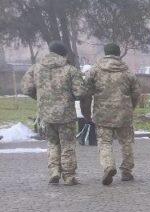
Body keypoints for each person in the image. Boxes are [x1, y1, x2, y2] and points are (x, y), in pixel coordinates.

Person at [22, 42, 86, 185]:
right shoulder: (70, 69)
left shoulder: (36, 68)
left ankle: (54, 171)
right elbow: (80, 92)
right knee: (67, 144)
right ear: (63, 54)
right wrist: (71, 97)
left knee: (52, 143)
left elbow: (26, 88)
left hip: (45, 114)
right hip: (66, 115)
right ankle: (69, 176)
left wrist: (40, 97)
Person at [84, 43, 142, 185]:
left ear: (105, 53)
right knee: (126, 142)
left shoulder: (94, 70)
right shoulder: (127, 72)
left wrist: (86, 113)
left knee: (104, 142)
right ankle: (127, 171)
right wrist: (131, 107)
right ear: (118, 53)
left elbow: (86, 92)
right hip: (124, 113)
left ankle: (108, 166)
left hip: (102, 113)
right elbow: (136, 93)